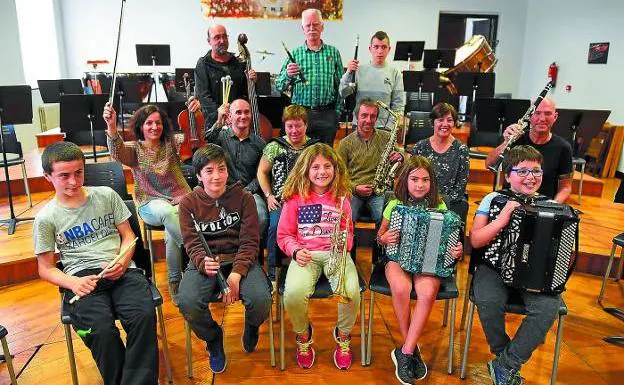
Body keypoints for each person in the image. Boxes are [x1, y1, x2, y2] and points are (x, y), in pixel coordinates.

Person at [34, 141, 158, 385]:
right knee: (101, 331)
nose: (73, 181)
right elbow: (45, 268)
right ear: (48, 176)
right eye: (64, 176)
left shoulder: (106, 195)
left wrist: (123, 261)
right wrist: (73, 282)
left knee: (143, 315)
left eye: (78, 172)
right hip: (81, 278)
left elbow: (128, 236)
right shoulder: (46, 218)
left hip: (120, 269)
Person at [470, 145, 563, 385]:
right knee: (488, 301)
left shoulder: (551, 206)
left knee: (547, 308)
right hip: (493, 268)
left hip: (533, 275)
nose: (531, 177)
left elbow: (558, 250)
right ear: (507, 174)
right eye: (522, 171)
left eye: (536, 171)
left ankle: (504, 366)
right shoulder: (493, 199)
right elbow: (476, 239)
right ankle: (504, 357)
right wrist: (502, 220)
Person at [177, 144, 272, 374]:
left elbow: (250, 241)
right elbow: (191, 242)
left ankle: (251, 325)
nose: (216, 176)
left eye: (221, 169)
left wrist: (236, 275)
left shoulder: (244, 198)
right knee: (187, 302)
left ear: (228, 171)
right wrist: (202, 261)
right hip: (204, 263)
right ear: (199, 175)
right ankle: (213, 338)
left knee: (261, 301)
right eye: (209, 171)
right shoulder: (187, 203)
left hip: (240, 259)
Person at [376, 156, 463, 384]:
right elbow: (380, 237)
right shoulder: (395, 205)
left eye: (425, 180)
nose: (420, 185)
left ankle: (404, 352)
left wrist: (456, 250)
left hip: (428, 262)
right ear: (405, 181)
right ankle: (410, 349)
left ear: (431, 183)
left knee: (426, 293)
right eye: (414, 179)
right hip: (398, 259)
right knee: (401, 287)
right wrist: (385, 238)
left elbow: (449, 240)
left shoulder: (439, 205)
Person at [277, 143, 360, 370]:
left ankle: (343, 336)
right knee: (293, 294)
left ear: (335, 169)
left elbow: (348, 230)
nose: (322, 172)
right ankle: (303, 335)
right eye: (315, 167)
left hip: (336, 255)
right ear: (306, 169)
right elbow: (284, 234)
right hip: (306, 255)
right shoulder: (295, 198)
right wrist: (295, 250)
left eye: (327, 166)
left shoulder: (343, 197)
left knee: (352, 292)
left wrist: (344, 245)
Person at [104, 103, 190, 305]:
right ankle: (198, 255)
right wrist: (111, 125)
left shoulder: (173, 143)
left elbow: (197, 139)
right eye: (148, 123)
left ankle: (175, 281)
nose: (154, 127)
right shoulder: (135, 149)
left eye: (158, 122)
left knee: (172, 227)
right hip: (150, 203)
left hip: (180, 198)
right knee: (169, 213)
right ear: (140, 127)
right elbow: (116, 150)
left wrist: (196, 115)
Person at [257, 105, 319, 283]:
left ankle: (312, 268)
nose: (294, 131)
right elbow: (262, 172)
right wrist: (269, 195)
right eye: (290, 126)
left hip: (309, 201)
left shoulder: (314, 148)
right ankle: (272, 275)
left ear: (306, 125)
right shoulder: (275, 147)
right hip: (282, 201)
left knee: (314, 230)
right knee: (275, 228)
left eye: (298, 126)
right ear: (284, 126)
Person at [275, 8, 344, 145]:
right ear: (303, 28)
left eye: (316, 24)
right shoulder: (295, 54)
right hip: (301, 116)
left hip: (327, 115)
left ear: (322, 26)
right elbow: (279, 85)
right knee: (301, 156)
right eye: (308, 25)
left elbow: (340, 87)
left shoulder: (334, 53)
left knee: (324, 157)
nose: (312, 28)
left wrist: (336, 113)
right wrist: (288, 75)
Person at [486, 97, 572, 203]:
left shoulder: (563, 147)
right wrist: (506, 142)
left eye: (548, 113)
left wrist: (553, 206)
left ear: (555, 117)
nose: (542, 118)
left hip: (543, 205)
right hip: (510, 201)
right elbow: (489, 164)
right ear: (529, 116)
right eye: (537, 113)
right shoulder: (515, 139)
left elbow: (565, 188)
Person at [201, 98, 267, 234]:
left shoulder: (259, 143)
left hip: (249, 192)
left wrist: (247, 191)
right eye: (238, 112)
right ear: (230, 116)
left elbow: (261, 175)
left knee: (261, 217)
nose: (243, 116)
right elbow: (204, 143)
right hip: (221, 192)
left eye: (247, 112)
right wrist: (219, 121)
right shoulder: (220, 137)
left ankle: (251, 252)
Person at [337, 98, 403, 225]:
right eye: (364, 115)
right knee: (349, 216)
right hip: (354, 191)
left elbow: (402, 164)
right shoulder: (345, 143)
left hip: (379, 190)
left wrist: (400, 157)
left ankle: (379, 244)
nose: (368, 120)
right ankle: (351, 244)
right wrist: (355, 188)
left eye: (372, 116)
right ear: (356, 117)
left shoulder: (386, 138)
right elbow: (338, 176)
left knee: (384, 217)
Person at [409, 103, 469, 221]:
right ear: (433, 122)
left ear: (454, 123)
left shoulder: (462, 150)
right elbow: (411, 178)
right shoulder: (419, 147)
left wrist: (440, 204)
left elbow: (460, 186)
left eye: (450, 120)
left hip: (450, 203)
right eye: (440, 120)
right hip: (421, 199)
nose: (445, 124)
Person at [339, 30, 405, 129]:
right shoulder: (358, 70)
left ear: (389, 49)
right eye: (376, 47)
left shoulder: (395, 73)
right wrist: (348, 72)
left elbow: (398, 104)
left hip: (383, 128)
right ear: (370, 49)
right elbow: (343, 92)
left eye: (383, 47)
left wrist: (389, 126)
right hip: (359, 126)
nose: (380, 51)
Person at [195, 24, 256, 129]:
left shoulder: (239, 62)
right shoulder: (203, 64)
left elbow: (246, 94)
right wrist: (223, 117)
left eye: (224, 36)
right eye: (217, 37)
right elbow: (204, 97)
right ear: (209, 41)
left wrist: (253, 82)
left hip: (240, 123)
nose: (222, 41)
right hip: (215, 124)